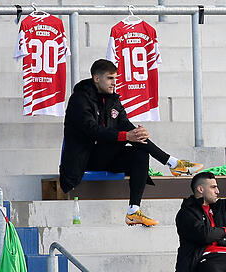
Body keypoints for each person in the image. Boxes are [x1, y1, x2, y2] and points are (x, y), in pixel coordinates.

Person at [59, 59, 203, 227]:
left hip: (106, 156)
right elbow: (92, 130)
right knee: (126, 137)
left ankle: (134, 210)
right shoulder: (80, 99)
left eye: (115, 78)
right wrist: (127, 136)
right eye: (110, 78)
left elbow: (125, 125)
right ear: (96, 78)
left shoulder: (113, 99)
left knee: (140, 152)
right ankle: (173, 163)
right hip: (84, 159)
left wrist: (138, 133)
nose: (114, 83)